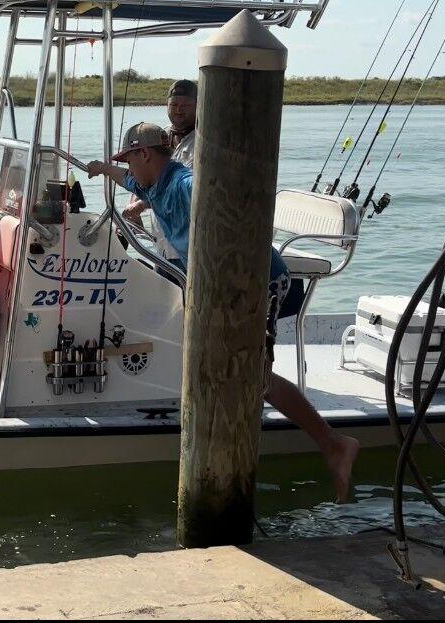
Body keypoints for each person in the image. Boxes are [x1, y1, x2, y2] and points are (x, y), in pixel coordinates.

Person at [88, 122, 360, 502]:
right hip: (219, 288)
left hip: (257, 282)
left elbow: (225, 201)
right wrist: (104, 169)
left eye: (129, 160)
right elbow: (128, 182)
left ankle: (334, 444)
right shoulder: (152, 184)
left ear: (145, 155)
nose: (129, 170)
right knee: (218, 359)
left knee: (256, 376)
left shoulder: (184, 185)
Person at [122, 79, 197, 266]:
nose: (179, 110)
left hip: (188, 247)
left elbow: (185, 191)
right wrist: (135, 203)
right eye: (174, 105)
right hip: (162, 246)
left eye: (186, 105)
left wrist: (143, 202)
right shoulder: (157, 137)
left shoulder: (204, 143)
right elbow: (144, 175)